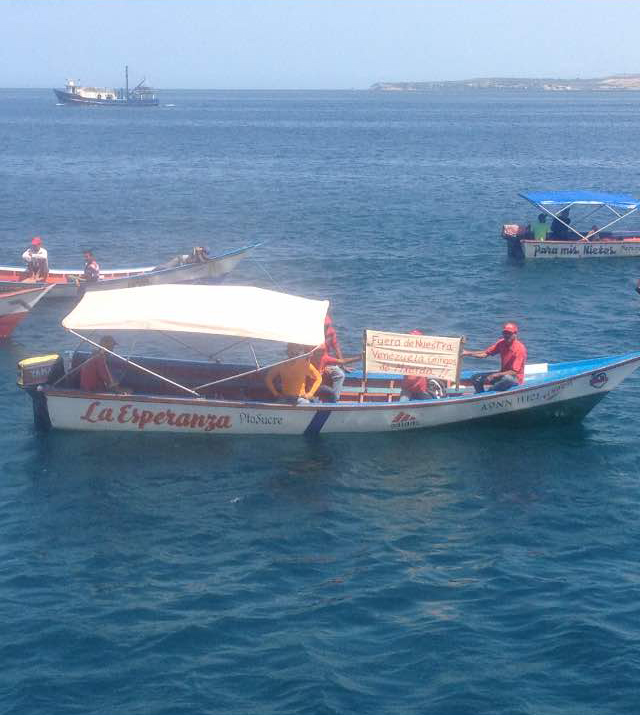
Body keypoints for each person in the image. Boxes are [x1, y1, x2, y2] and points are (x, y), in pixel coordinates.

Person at [462, 322, 527, 393]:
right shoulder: (501, 343)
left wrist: (495, 375)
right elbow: (485, 353)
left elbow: (514, 372)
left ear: (515, 334)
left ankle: (489, 393)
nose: (507, 335)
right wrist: (467, 353)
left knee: (508, 379)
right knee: (476, 378)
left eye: (509, 333)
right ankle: (480, 394)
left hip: (515, 378)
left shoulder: (520, 349)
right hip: (502, 374)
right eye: (505, 333)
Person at [399, 330, 444, 401]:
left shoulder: (425, 354)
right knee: (402, 404)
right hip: (407, 390)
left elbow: (442, 355)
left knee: (431, 404)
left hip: (421, 389)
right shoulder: (404, 354)